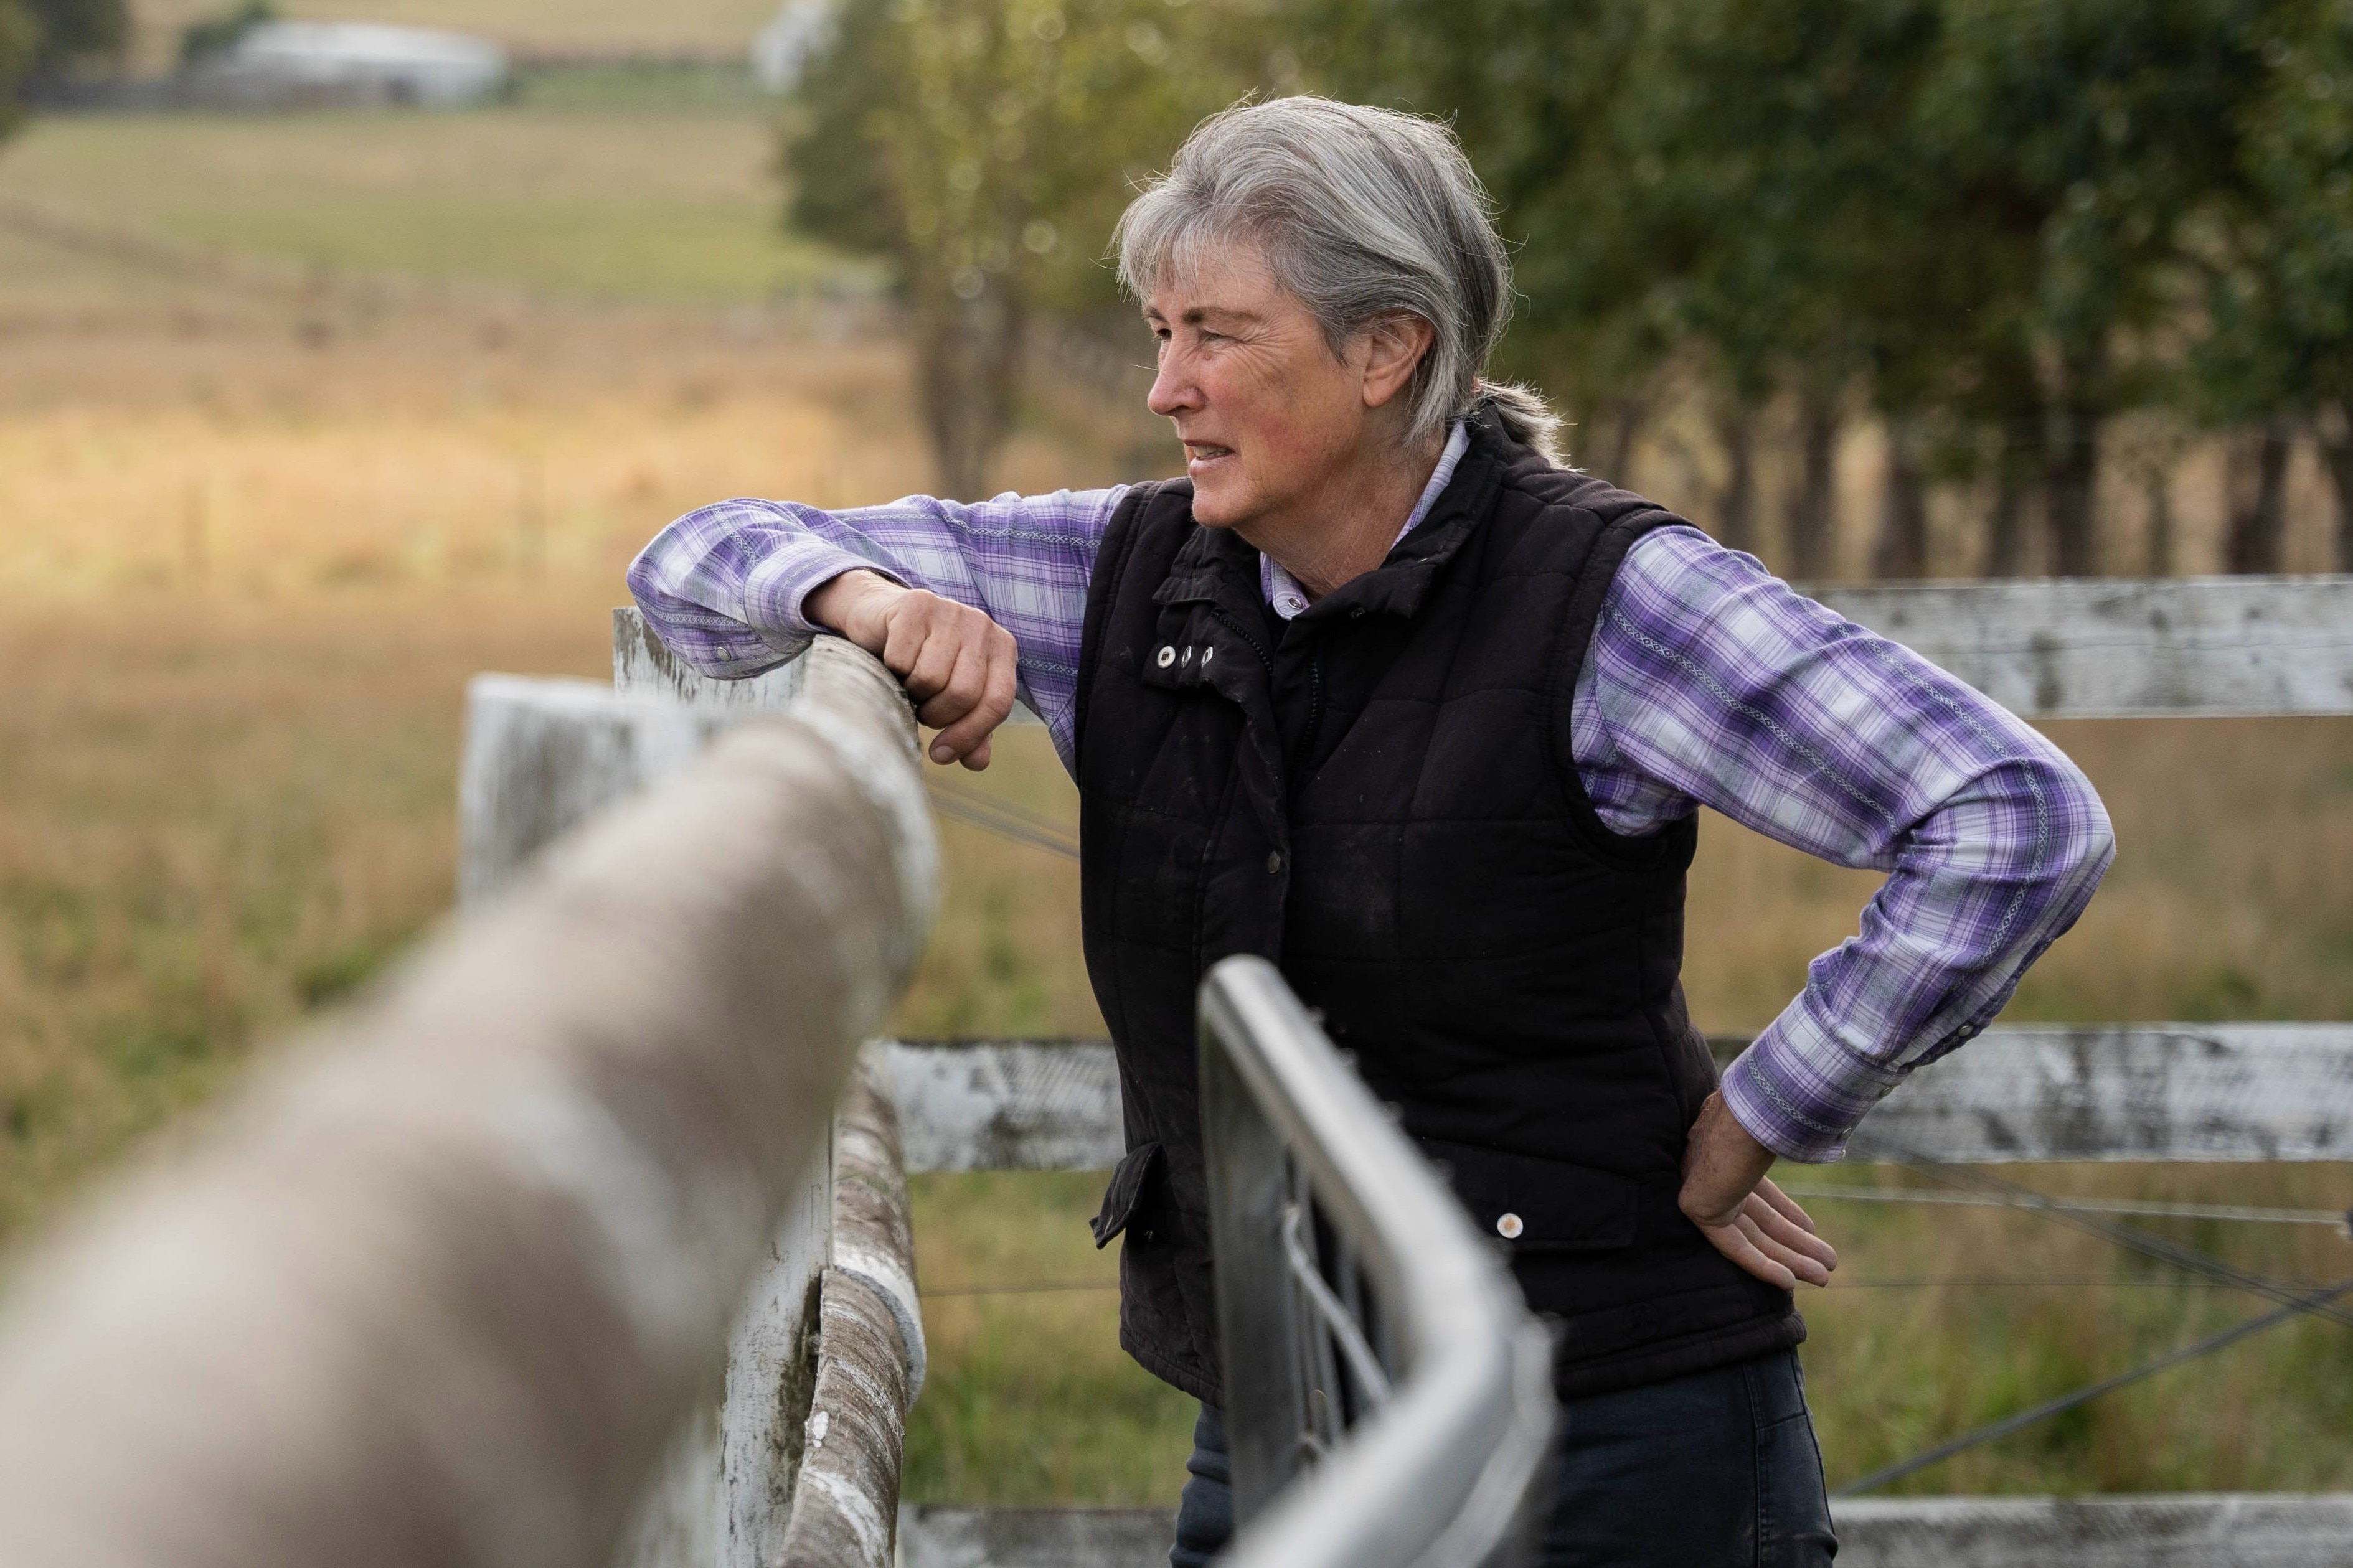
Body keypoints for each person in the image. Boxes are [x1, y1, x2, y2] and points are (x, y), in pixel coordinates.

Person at [628, 96, 2113, 1568]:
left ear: (1387, 348)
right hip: (1281, 1425)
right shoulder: (1128, 570)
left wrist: (1765, 1113)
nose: (1167, 387)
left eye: (1218, 334)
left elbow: (2013, 817)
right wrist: (875, 606)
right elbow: (694, 558)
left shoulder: (1611, 601)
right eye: (1160, 332)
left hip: (1599, 1441)